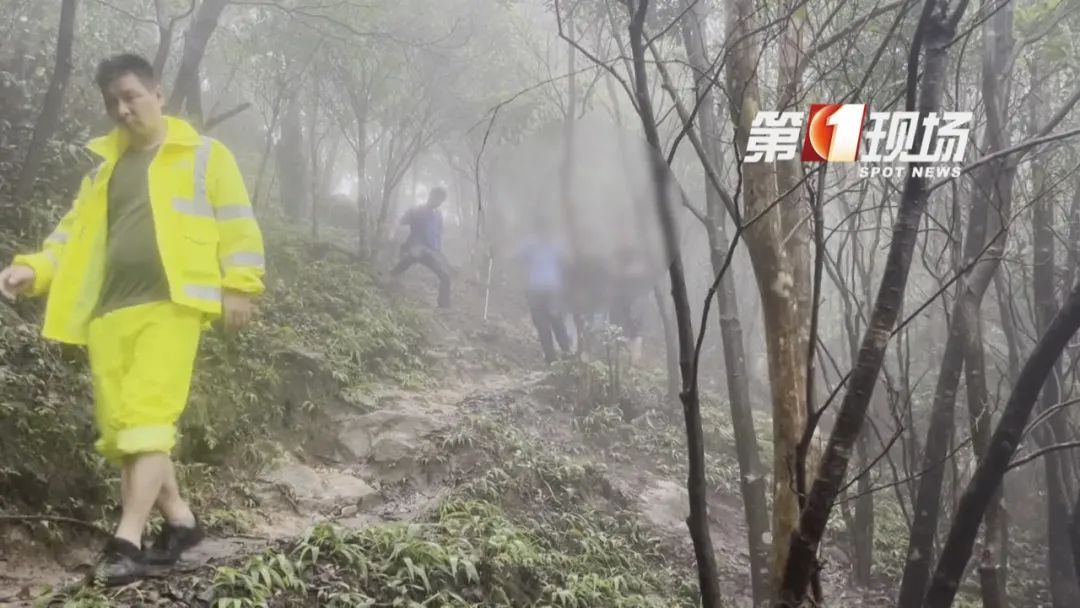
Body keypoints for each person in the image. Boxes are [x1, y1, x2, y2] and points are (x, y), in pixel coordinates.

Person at [0, 54, 265, 585]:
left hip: (173, 305)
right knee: (129, 434)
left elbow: (238, 223)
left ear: (158, 93)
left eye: (131, 96)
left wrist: (239, 285)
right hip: (109, 313)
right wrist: (34, 270)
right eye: (112, 103)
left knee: (147, 421)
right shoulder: (104, 171)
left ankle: (125, 541)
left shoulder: (204, 156)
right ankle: (182, 522)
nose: (122, 109)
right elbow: (70, 236)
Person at [516, 227, 573, 364]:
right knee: (549, 324)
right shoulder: (533, 246)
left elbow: (516, 258)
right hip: (543, 290)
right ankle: (559, 355)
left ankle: (561, 355)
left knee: (551, 323)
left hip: (546, 290)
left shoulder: (535, 245)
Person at [392, 187, 451, 308]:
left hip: (430, 252)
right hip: (414, 248)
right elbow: (400, 222)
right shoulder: (417, 210)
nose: (439, 203)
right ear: (431, 196)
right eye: (438, 199)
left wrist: (438, 251)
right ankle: (389, 278)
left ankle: (444, 307)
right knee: (404, 263)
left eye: (441, 201)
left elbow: (438, 233)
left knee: (445, 276)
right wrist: (392, 234)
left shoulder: (438, 215)